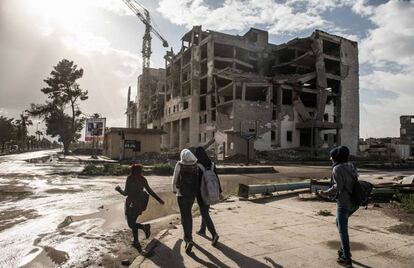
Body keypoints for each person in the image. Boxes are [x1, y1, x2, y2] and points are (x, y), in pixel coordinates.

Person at [318, 146, 358, 267]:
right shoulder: (351, 166)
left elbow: (337, 187)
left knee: (342, 231)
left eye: (332, 156)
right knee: (338, 223)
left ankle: (346, 258)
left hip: (344, 204)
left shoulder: (337, 169)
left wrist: (324, 193)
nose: (330, 158)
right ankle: (342, 250)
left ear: (336, 157)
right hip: (354, 203)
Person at [115, 164, 164, 249]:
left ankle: (144, 227)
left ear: (132, 170)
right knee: (133, 221)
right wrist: (159, 199)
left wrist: (119, 190)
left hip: (131, 204)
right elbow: (150, 191)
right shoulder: (143, 179)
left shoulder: (130, 178)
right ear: (140, 171)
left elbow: (125, 193)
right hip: (139, 204)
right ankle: (136, 241)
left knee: (131, 224)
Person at [194, 146, 221, 243]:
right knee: (205, 211)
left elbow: (196, 182)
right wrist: (219, 192)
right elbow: (217, 179)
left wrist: (194, 194)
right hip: (211, 191)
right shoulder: (212, 165)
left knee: (204, 213)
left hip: (201, 193)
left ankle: (214, 234)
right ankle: (202, 230)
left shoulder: (197, 165)